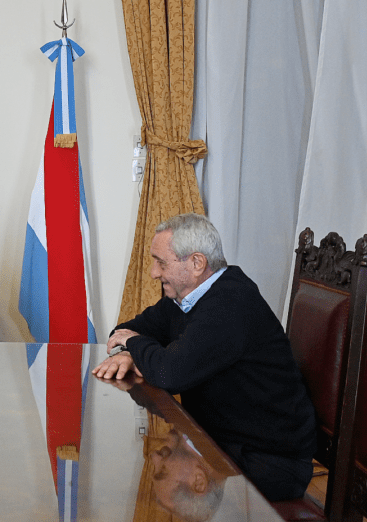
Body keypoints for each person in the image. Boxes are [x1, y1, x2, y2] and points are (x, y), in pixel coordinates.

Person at [92, 213, 317, 502]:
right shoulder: (184, 298)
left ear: (197, 263)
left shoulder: (230, 303)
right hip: (222, 438)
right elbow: (124, 330)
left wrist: (134, 344)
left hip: (269, 461)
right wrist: (126, 351)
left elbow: (168, 374)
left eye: (161, 262)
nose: (153, 272)